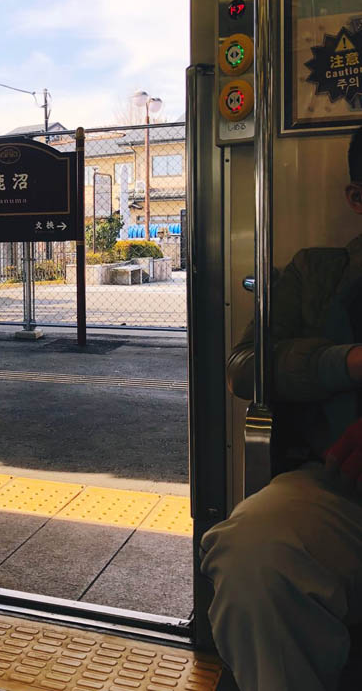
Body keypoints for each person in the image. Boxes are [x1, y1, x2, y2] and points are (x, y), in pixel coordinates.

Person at [200, 125, 362, 691]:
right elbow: (245, 365)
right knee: (252, 553)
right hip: (339, 483)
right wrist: (343, 363)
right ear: (354, 197)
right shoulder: (317, 274)